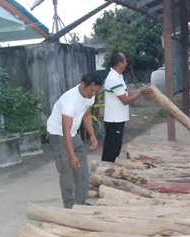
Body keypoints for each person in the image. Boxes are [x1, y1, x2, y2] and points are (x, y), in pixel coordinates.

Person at [46, 72, 103, 209]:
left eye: (96, 91)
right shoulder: (70, 101)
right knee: (67, 170)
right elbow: (65, 130)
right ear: (83, 85)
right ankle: (69, 207)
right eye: (91, 90)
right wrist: (71, 156)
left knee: (82, 168)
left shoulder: (90, 96)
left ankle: (81, 202)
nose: (93, 94)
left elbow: (87, 115)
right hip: (57, 134)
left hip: (72, 133)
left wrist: (92, 135)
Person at [102, 51, 151, 163]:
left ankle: (107, 169)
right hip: (114, 120)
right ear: (120, 63)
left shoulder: (118, 76)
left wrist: (140, 90)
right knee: (112, 150)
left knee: (114, 148)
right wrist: (140, 92)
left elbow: (125, 93)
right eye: (125, 61)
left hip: (116, 119)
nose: (126, 63)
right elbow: (125, 100)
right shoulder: (113, 79)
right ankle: (106, 170)